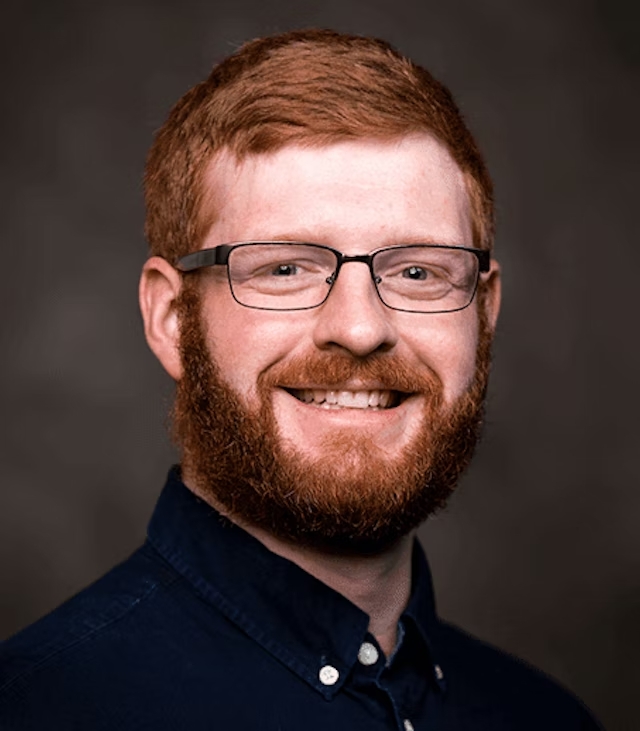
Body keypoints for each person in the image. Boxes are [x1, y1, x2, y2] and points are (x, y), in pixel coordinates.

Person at [0, 29, 601, 730]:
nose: (358, 327)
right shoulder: (35, 709)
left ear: (485, 314)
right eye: (285, 267)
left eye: (417, 271)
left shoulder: (549, 719)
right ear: (171, 318)